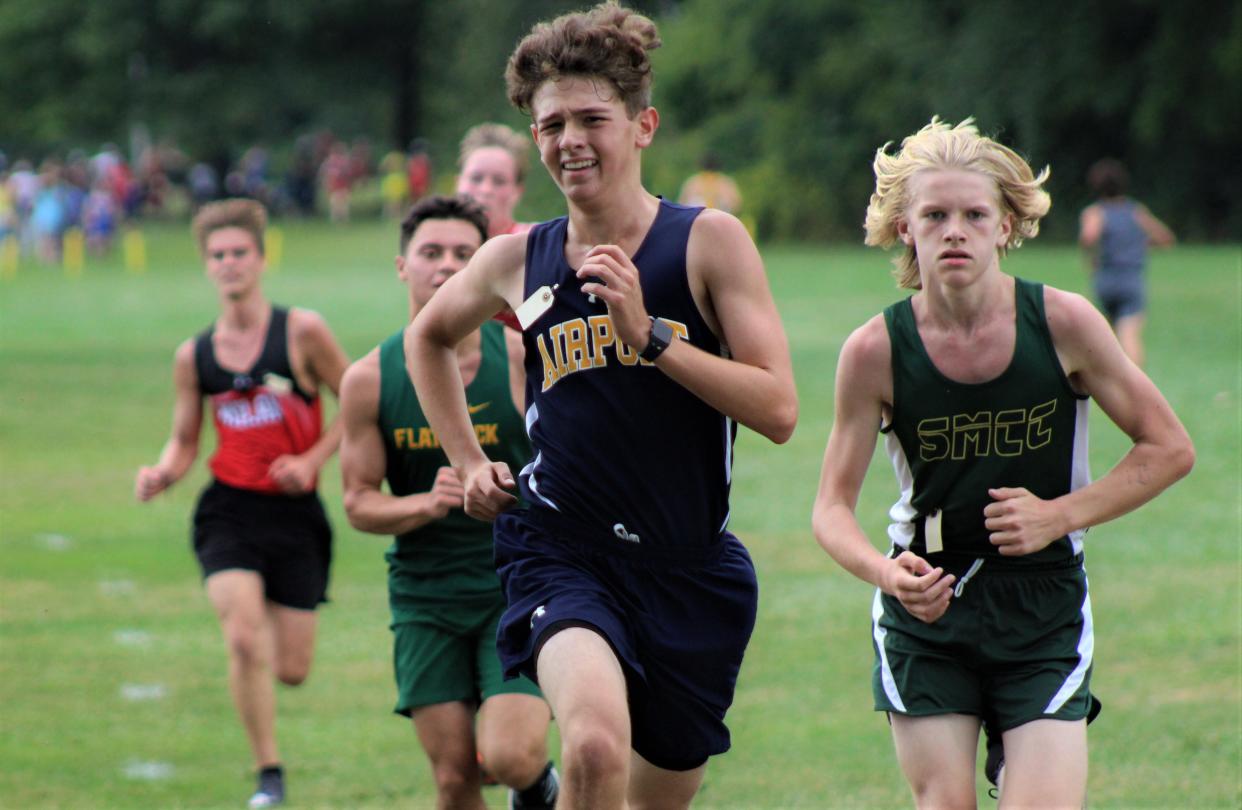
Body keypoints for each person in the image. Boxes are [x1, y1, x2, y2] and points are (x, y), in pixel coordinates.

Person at [406, 5, 797, 808]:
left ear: (643, 125)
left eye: (593, 119)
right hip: (560, 545)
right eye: (552, 124)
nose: (569, 140)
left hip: (691, 569)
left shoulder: (706, 242)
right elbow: (427, 339)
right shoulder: (517, 257)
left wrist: (651, 337)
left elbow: (779, 409)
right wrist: (468, 461)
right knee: (588, 747)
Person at [811, 118, 1195, 808]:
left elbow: (1169, 447)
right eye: (934, 214)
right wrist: (886, 574)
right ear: (905, 228)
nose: (954, 230)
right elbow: (830, 508)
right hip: (927, 609)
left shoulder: (1064, 323)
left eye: (973, 214)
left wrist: (1059, 515)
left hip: (1042, 602)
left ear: (1006, 226)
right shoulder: (873, 351)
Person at [338, 195, 559, 809]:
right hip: (425, 598)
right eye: (430, 252)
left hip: (514, 585)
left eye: (463, 254)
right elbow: (357, 503)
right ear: (402, 266)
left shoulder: (517, 356)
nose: (445, 265)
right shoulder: (369, 378)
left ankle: (538, 790)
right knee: (455, 777)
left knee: (512, 757)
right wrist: (423, 506)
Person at [134, 198, 349, 809]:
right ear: (206, 266)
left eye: (239, 253)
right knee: (243, 639)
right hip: (227, 510)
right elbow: (183, 442)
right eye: (217, 255)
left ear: (260, 257)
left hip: (297, 517)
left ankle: (270, 767)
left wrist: (311, 461)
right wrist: (162, 474)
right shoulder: (193, 355)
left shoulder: (301, 331)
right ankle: (269, 774)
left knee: (291, 669)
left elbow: (357, 399)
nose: (229, 264)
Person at [1078, 158, 1175, 368]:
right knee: (1130, 335)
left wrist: (1091, 259)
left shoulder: (1095, 212)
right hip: (1131, 280)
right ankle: (1135, 384)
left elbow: (1088, 237)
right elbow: (1165, 238)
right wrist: (1139, 245)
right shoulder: (1135, 211)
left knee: (1106, 340)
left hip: (1105, 280)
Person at [456, 123, 534, 239]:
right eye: (476, 178)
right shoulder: (432, 242)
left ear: (518, 191)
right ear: (458, 182)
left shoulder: (535, 242)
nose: (486, 190)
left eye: (499, 181)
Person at [677, 153, 742, 216]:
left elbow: (681, 204)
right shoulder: (726, 182)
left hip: (699, 219)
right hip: (720, 218)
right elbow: (737, 205)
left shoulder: (693, 182)